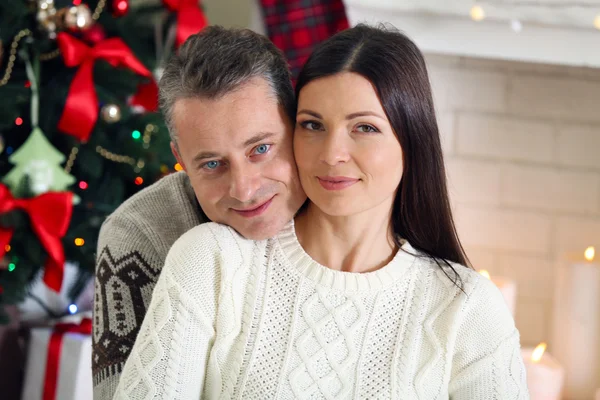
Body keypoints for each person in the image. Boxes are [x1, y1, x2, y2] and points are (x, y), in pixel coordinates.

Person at [112, 24, 529, 399]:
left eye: (364, 127)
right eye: (313, 125)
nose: (332, 155)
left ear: (411, 139)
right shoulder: (211, 261)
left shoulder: (467, 308)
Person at [92, 26, 306, 400]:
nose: (244, 189)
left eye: (260, 149)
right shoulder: (137, 235)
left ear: (296, 125)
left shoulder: (345, 203)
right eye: (211, 164)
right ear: (180, 159)